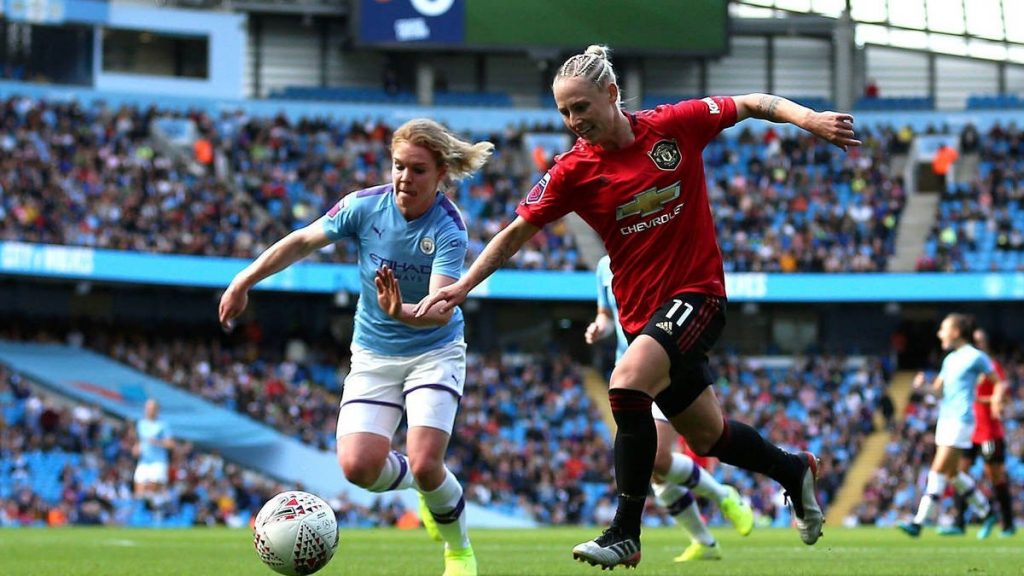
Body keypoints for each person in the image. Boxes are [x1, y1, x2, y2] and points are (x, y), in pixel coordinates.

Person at [415, 44, 861, 569]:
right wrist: (464, 284)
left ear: (611, 94)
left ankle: (625, 532)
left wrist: (810, 120)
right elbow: (515, 234)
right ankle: (793, 470)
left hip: (698, 295)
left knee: (626, 382)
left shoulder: (674, 125)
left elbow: (754, 102)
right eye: (564, 111)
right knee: (709, 436)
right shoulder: (572, 171)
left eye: (581, 106)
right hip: (642, 314)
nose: (573, 120)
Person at [219, 118, 493, 576]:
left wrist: (401, 312)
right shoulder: (364, 206)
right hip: (373, 352)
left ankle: (459, 551)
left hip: (434, 351)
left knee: (429, 464)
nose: (405, 178)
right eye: (398, 166)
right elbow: (303, 240)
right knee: (358, 468)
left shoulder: (449, 227)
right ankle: (419, 486)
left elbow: (443, 307)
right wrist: (245, 278)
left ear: (441, 172)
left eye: (417, 170)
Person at [586, 255, 754, 562]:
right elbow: (605, 313)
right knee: (657, 471)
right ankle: (704, 541)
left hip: (661, 366)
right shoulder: (602, 267)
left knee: (659, 457)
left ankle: (724, 496)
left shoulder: (656, 253)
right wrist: (599, 326)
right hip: (627, 372)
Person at [898, 314, 1000, 538]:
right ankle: (987, 511)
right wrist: (923, 386)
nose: (939, 333)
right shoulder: (949, 359)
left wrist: (996, 400)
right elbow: (938, 391)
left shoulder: (976, 356)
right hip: (944, 419)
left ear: (955, 332)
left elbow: (997, 382)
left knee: (938, 468)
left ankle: (919, 522)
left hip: (961, 419)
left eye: (943, 329)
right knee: (953, 474)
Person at [945, 327, 1014, 538]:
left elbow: (1004, 397)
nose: (978, 346)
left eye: (981, 342)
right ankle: (958, 523)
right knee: (958, 473)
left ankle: (1007, 524)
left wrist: (989, 401)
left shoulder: (992, 367)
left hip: (989, 431)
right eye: (975, 342)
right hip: (968, 429)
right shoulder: (966, 367)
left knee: (995, 476)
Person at [132, 399, 175, 513]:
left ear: (157, 410)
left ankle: (157, 513)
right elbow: (139, 441)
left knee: (152, 489)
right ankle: (156, 507)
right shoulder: (141, 424)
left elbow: (171, 444)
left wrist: (157, 442)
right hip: (144, 461)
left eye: (152, 408)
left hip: (158, 461)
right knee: (139, 492)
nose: (149, 411)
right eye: (147, 408)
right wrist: (136, 448)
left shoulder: (163, 425)